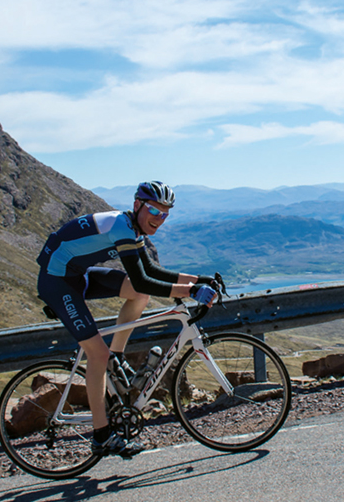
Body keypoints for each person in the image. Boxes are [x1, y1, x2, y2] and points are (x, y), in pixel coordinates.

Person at [36, 180, 218, 457]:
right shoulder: (121, 227)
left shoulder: (134, 230)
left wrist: (201, 279)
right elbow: (144, 280)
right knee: (95, 354)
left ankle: (116, 356)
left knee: (137, 296)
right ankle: (101, 435)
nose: (160, 219)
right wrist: (192, 290)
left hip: (77, 274)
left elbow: (152, 271)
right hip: (57, 280)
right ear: (137, 206)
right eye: (154, 211)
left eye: (165, 213)